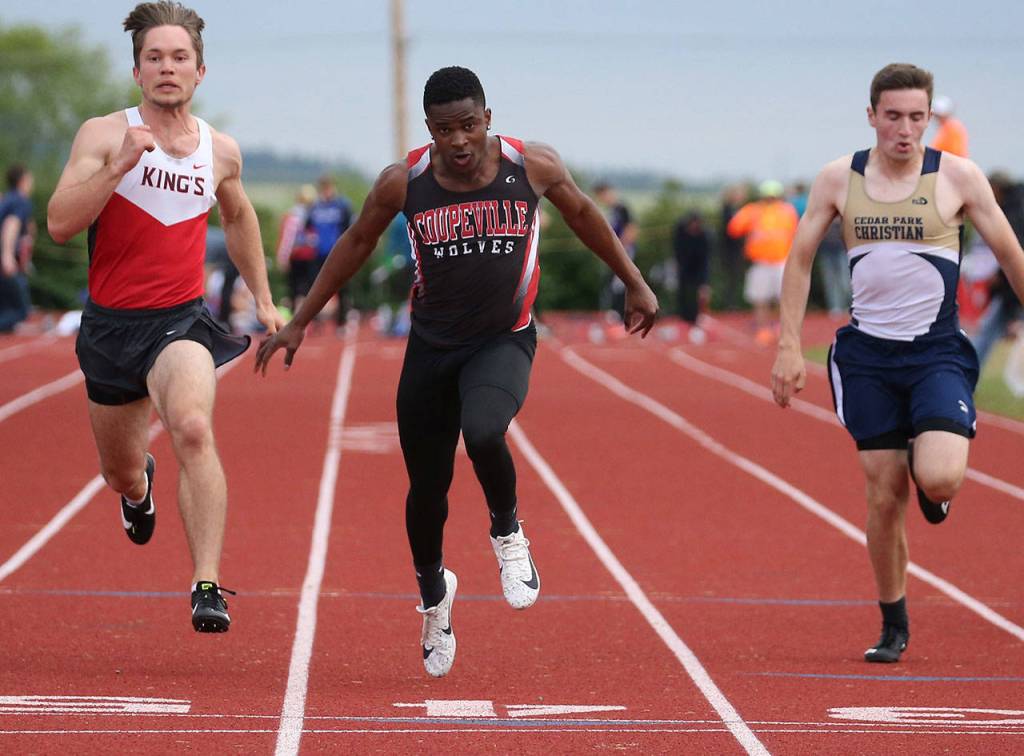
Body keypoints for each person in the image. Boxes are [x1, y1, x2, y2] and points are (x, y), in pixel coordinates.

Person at [256, 66, 658, 678]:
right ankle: (434, 598)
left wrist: (634, 282)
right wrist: (301, 319)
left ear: (488, 119)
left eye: (469, 125)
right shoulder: (405, 181)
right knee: (426, 491)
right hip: (432, 350)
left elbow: (584, 218)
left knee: (487, 431)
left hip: (504, 339)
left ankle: (507, 530)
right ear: (430, 130)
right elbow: (356, 244)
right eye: (446, 130)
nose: (460, 141)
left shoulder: (533, 166)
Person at [770, 63, 1024, 664]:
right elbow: (800, 260)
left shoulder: (958, 178)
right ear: (872, 117)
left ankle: (939, 461)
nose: (905, 129)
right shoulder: (839, 178)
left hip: (936, 352)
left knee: (936, 479)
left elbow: (1013, 256)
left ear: (929, 117)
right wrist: (786, 345)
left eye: (917, 117)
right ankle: (894, 621)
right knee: (884, 493)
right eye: (893, 116)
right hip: (868, 357)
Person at [46, 1, 282, 633]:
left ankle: (207, 585)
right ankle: (138, 490)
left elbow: (238, 216)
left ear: (200, 72)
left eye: (180, 57)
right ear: (137, 71)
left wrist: (261, 297)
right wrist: (120, 164)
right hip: (110, 329)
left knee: (194, 427)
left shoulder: (220, 151)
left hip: (180, 323)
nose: (167, 68)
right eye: (155, 58)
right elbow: (61, 224)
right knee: (118, 470)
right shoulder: (103, 135)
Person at [727, 179, 799, 344]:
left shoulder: (786, 211)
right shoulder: (753, 211)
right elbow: (734, 228)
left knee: (784, 299)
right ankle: (764, 330)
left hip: (781, 262)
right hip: (761, 263)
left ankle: (784, 330)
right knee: (760, 299)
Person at [306, 175, 354, 329]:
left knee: (342, 288)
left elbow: (351, 227)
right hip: (318, 253)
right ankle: (316, 321)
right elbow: (307, 227)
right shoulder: (315, 207)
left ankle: (341, 321)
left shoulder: (342, 205)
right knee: (317, 288)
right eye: (323, 187)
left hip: (338, 252)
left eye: (328, 187)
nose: (326, 191)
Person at [594, 182, 638, 322]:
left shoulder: (622, 208)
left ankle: (621, 313)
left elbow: (631, 228)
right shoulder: (611, 210)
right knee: (613, 281)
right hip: (614, 251)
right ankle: (616, 312)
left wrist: (622, 247)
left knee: (619, 282)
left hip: (624, 251)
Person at [0, 164, 35, 334]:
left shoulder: (7, 198)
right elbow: (10, 225)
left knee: (6, 307)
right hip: (4, 259)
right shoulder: (21, 200)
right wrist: (7, 256)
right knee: (20, 311)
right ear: (23, 181)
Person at [276, 184, 317, 312]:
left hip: (303, 256)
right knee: (304, 288)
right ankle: (302, 314)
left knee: (296, 288)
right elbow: (288, 238)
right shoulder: (305, 215)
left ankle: (298, 314)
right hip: (303, 256)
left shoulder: (295, 215)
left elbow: (286, 239)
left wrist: (283, 257)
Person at [672, 210, 710, 342]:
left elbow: (705, 260)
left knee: (697, 294)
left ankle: (694, 319)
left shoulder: (704, 236)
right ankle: (683, 317)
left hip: (697, 268)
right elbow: (677, 250)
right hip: (683, 267)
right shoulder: (680, 232)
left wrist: (704, 282)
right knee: (682, 292)